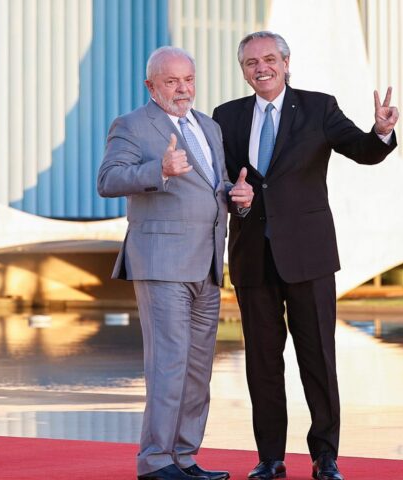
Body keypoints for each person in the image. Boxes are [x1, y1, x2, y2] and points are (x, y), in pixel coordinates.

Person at [212, 31, 399, 480]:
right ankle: (270, 458)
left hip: (310, 257)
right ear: (243, 70)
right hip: (253, 255)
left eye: (270, 59)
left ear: (286, 62)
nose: (262, 68)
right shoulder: (226, 116)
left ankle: (325, 457)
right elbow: (219, 180)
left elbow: (363, 151)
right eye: (252, 62)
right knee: (262, 362)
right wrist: (231, 195)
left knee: (318, 358)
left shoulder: (318, 107)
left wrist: (382, 131)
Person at [98, 46, 254, 480]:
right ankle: (155, 461)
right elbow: (107, 180)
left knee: (198, 367)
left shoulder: (208, 126)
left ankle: (184, 457)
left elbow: (213, 185)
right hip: (161, 262)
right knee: (168, 363)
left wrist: (236, 196)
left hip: (207, 262)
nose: (183, 89)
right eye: (172, 81)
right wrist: (159, 169)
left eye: (189, 79)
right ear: (151, 86)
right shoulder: (131, 125)